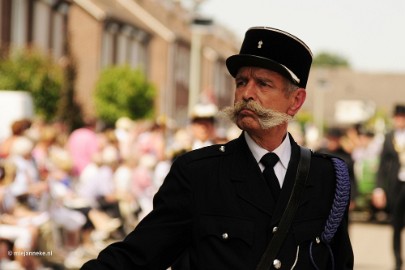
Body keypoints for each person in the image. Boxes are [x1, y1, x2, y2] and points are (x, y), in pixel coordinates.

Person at [81, 26, 353, 269]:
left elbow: (338, 261)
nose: (247, 93)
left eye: (263, 83)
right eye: (241, 82)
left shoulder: (326, 178)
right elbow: (139, 255)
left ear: (295, 101)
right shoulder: (199, 173)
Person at [372, 104, 405, 270]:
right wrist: (379, 188)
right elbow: (383, 164)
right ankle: (398, 262)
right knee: (396, 225)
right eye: (397, 117)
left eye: (402, 117)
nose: (399, 120)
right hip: (396, 186)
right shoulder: (389, 137)